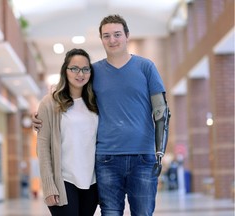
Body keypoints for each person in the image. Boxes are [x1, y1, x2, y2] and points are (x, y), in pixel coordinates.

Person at [33, 15, 170, 216]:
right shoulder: (93, 72)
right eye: (106, 36)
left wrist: (159, 153)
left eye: (117, 34)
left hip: (142, 156)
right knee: (110, 212)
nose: (112, 40)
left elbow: (162, 113)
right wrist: (42, 116)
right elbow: (69, 93)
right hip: (107, 159)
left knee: (143, 213)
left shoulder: (146, 67)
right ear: (101, 39)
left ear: (127, 36)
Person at [36, 48, 99, 216]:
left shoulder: (96, 102)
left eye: (86, 69)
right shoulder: (49, 103)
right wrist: (49, 186)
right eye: (75, 68)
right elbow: (43, 147)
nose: (81, 74)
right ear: (65, 70)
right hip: (64, 181)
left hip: (91, 183)